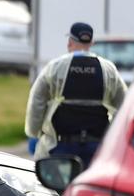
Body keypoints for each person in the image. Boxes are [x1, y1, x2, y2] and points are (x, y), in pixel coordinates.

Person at [25, 22, 127, 166]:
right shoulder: (108, 69)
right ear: (91, 43)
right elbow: (124, 105)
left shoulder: (55, 67)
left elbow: (37, 99)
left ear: (70, 42)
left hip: (60, 147)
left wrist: (33, 131)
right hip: (97, 148)